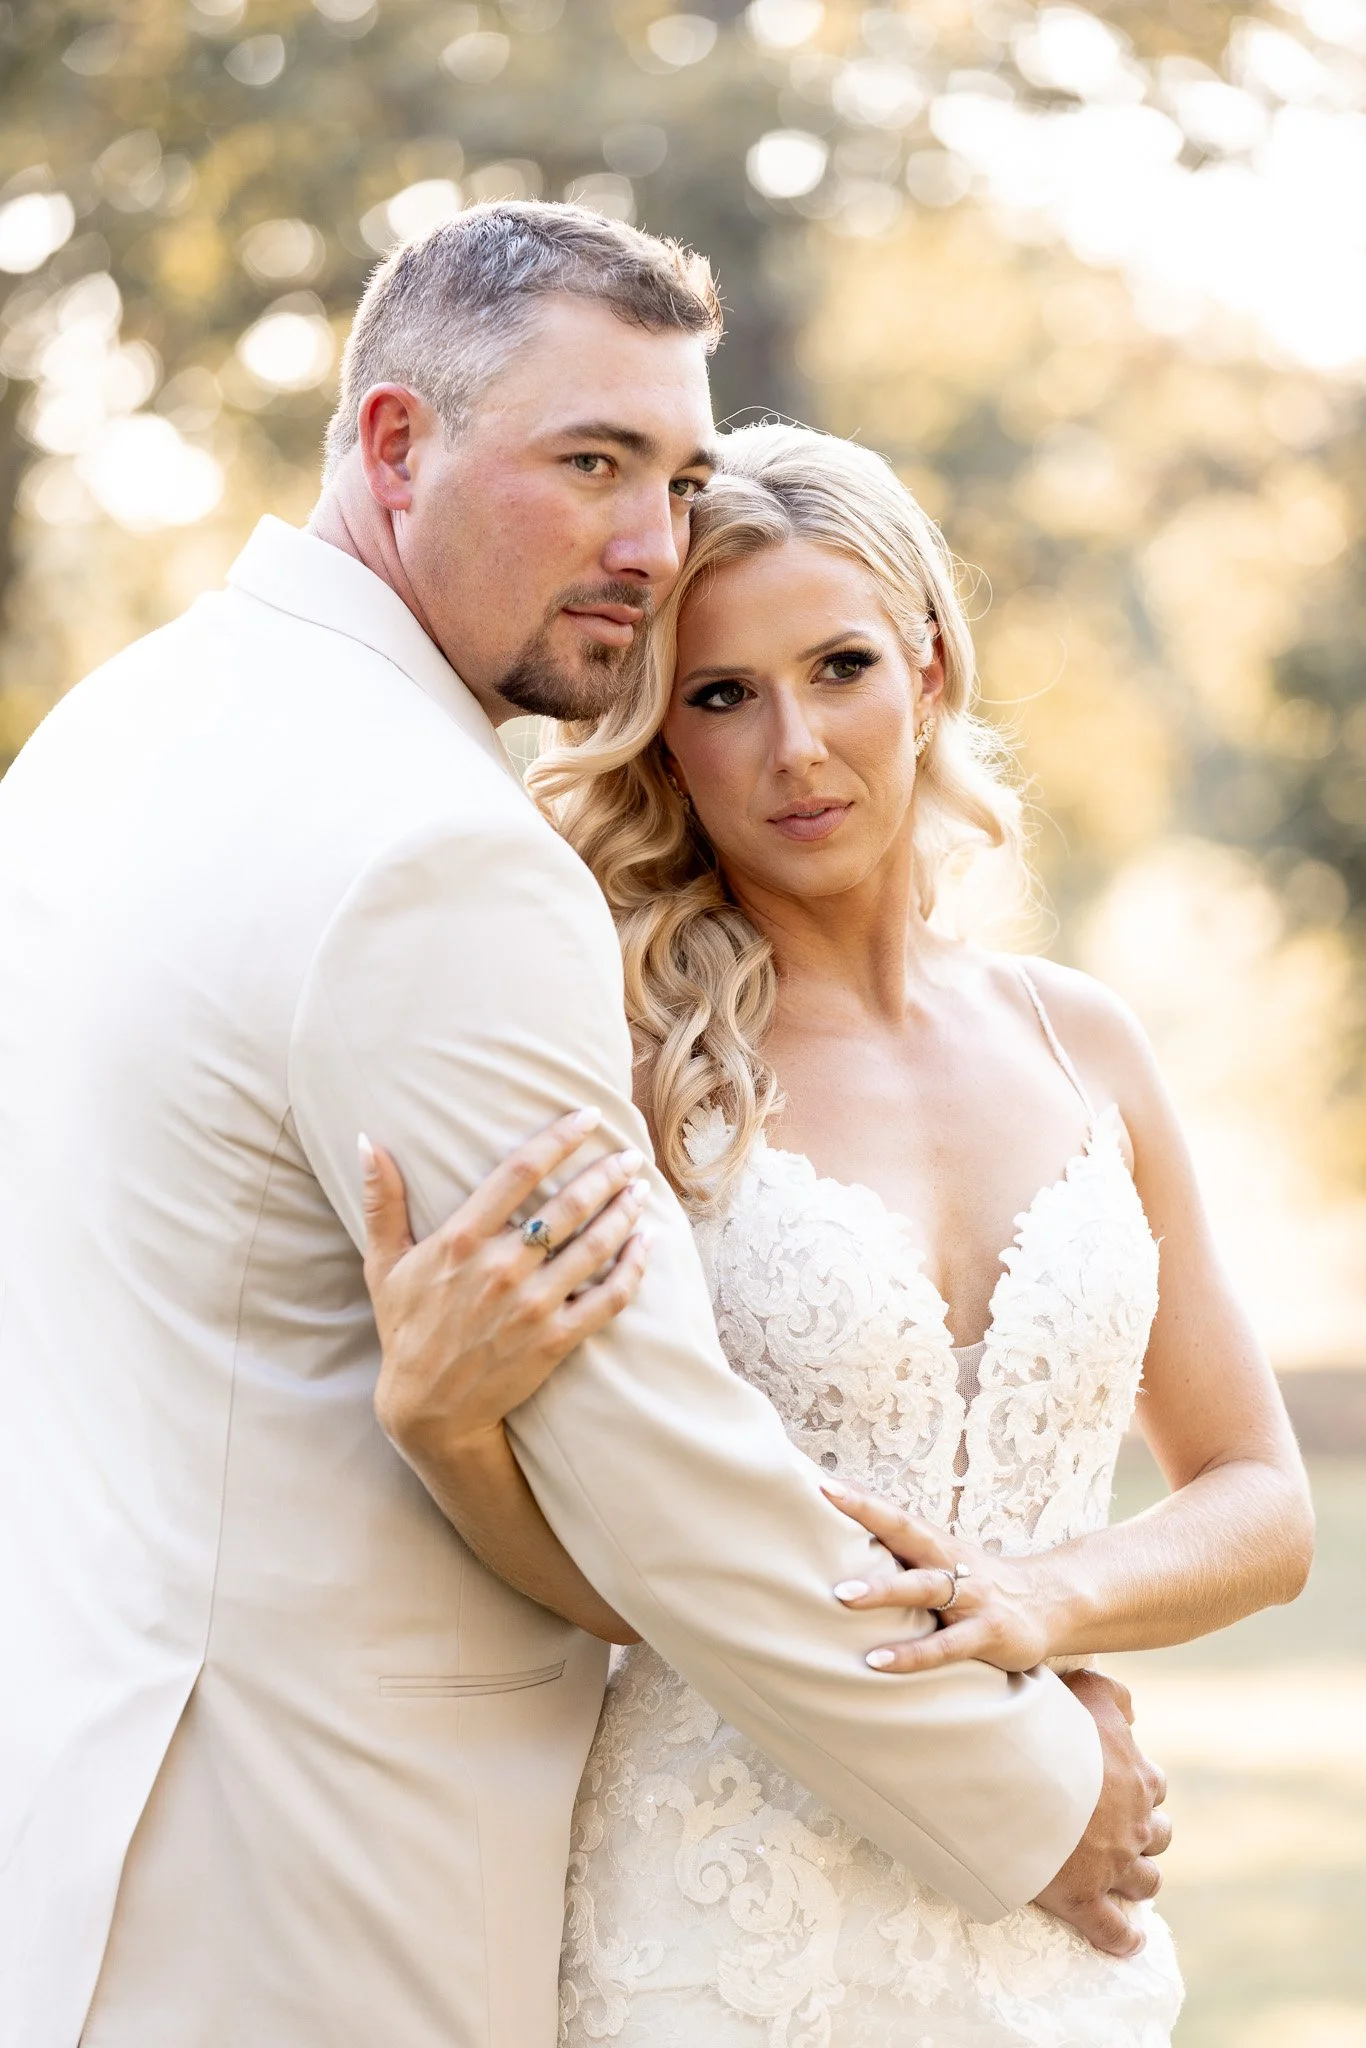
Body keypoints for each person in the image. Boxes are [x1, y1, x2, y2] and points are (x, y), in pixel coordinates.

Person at [0, 205, 1160, 2048]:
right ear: (395, 445)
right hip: (319, 1884)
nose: (647, 545)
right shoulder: (431, 852)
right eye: (590, 465)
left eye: (677, 475)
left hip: (82, 1854)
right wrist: (1031, 1793)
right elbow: (655, 1470)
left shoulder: (104, 738)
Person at [358, 423, 1314, 2045]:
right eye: (722, 695)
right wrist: (440, 1428)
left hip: (1053, 1937)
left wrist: (1046, 1601)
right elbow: (611, 1583)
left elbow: (1261, 1501)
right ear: (659, 736)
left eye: (840, 666)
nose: (794, 747)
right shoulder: (616, 1055)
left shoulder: (1083, 1042)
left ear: (929, 669)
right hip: (717, 1930)